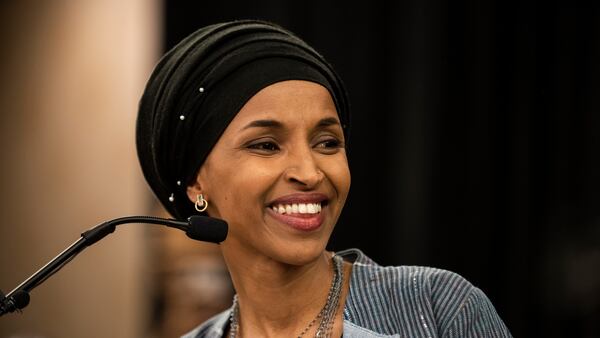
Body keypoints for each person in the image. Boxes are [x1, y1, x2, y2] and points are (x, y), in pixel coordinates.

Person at [136, 20, 512, 338]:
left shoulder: (436, 308)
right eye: (267, 145)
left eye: (327, 142)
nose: (310, 172)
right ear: (195, 182)